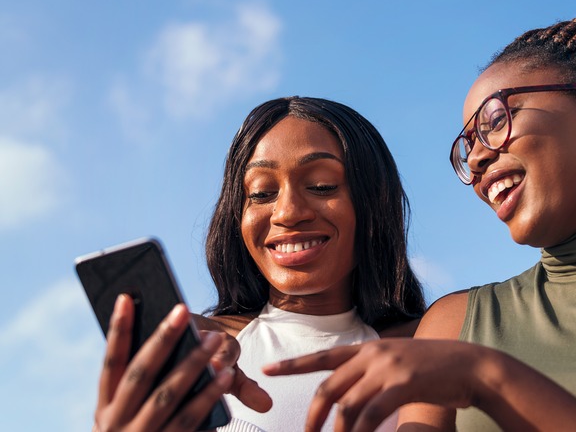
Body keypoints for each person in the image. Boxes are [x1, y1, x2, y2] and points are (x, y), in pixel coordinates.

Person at [265, 5, 576, 432]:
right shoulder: (454, 324)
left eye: (495, 122)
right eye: (466, 148)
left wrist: (489, 380)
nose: (478, 159)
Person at [91, 96, 427, 431]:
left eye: (322, 185)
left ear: (375, 201)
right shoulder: (201, 352)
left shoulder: (430, 346)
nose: (288, 212)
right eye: (262, 193)